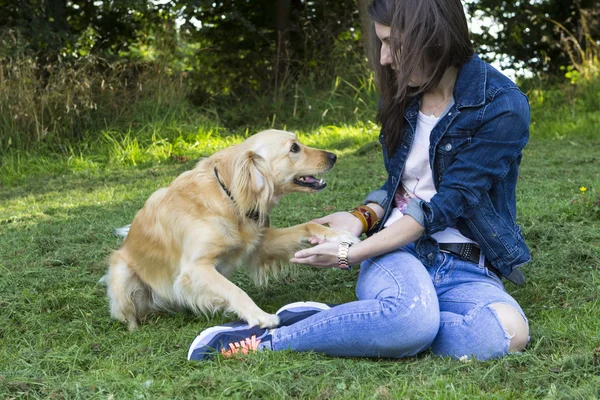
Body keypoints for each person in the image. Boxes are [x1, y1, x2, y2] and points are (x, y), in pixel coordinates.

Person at [188, 0, 531, 362]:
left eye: (393, 43)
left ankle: (352, 322)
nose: (385, 58)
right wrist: (362, 217)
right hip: (394, 251)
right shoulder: (403, 94)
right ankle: (270, 339)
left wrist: (349, 254)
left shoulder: (501, 106)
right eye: (381, 42)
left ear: (433, 37)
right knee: (414, 321)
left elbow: (447, 202)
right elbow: (401, 186)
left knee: (505, 334)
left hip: (465, 263)